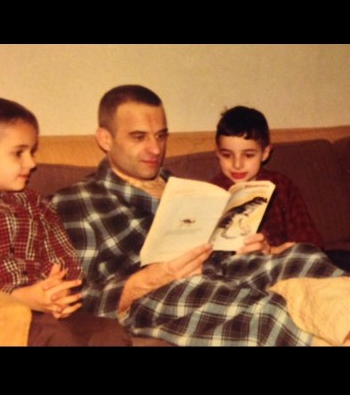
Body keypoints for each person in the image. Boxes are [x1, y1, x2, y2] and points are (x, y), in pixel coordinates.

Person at [53, 84, 346, 346]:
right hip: (159, 292)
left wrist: (247, 248)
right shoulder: (75, 201)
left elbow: (217, 250)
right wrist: (148, 278)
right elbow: (73, 297)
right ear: (105, 138)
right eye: (139, 136)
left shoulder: (180, 188)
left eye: (161, 135)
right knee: (266, 311)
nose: (155, 148)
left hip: (221, 270)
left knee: (303, 258)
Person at [0, 94, 131, 346]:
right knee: (57, 336)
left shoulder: (34, 204)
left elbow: (65, 258)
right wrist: (19, 297)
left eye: (32, 152)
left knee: (109, 332)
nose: (32, 163)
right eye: (19, 153)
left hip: (47, 310)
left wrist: (59, 291)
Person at [211, 105, 349, 269]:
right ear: (217, 153)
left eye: (248, 155)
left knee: (333, 258)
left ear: (265, 153)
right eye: (227, 155)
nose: (237, 164)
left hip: (284, 261)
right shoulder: (212, 192)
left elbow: (310, 242)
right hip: (240, 269)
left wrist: (273, 251)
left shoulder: (281, 185)